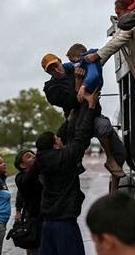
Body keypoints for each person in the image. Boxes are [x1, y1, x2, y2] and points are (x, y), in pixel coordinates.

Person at [41, 53, 126, 181]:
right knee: (71, 152)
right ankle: (68, 172)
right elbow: (73, 103)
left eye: (56, 65)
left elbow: (94, 65)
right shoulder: (51, 88)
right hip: (75, 121)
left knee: (105, 127)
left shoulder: (75, 67)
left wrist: (93, 58)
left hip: (94, 114)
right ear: (49, 74)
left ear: (60, 62)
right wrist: (78, 82)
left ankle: (111, 161)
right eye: (51, 70)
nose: (56, 70)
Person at [35, 90, 98, 255]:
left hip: (47, 224)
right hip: (64, 224)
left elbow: (59, 136)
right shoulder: (65, 158)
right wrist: (90, 108)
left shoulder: (42, 158)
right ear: (55, 146)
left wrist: (69, 119)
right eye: (57, 140)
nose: (60, 139)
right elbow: (81, 137)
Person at [84, 0, 135, 65]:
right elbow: (114, 39)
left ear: (128, 10)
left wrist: (96, 56)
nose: (118, 18)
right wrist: (99, 58)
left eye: (118, 13)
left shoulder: (132, 23)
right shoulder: (128, 23)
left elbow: (118, 40)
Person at [14, 149, 43, 255]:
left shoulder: (41, 173)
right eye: (28, 156)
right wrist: (18, 210)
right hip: (35, 221)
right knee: (35, 250)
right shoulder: (20, 178)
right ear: (22, 165)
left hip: (48, 219)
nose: (34, 156)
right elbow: (27, 181)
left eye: (33, 154)